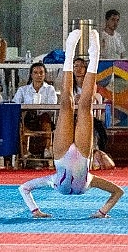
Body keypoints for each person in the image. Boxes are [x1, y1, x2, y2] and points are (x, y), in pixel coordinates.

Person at [19, 29, 124, 218]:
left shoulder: (53, 181)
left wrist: (36, 211)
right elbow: (118, 192)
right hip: (84, 155)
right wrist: (101, 212)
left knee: (66, 105)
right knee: (85, 106)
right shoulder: (90, 181)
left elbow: (24, 188)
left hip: (60, 154)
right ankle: (95, 55)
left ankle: (69, 53)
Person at [13, 62, 58, 159]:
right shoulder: (23, 90)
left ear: (45, 74)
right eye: (36, 73)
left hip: (43, 118)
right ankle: (24, 152)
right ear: (31, 75)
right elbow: (15, 104)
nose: (39, 75)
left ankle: (47, 149)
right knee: (21, 121)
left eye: (41, 72)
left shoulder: (50, 89)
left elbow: (52, 106)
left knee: (45, 118)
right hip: (28, 118)